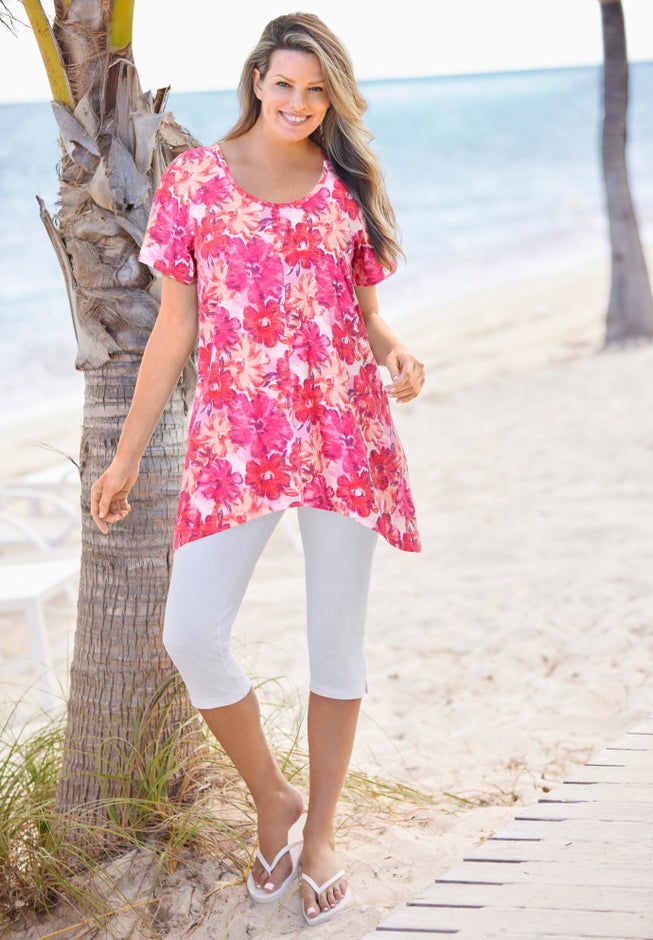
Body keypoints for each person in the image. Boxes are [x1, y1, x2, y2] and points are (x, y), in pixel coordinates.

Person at [91, 11, 424, 927]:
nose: (299, 103)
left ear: (333, 99)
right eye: (285, 84)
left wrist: (396, 353)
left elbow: (364, 314)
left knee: (336, 642)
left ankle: (320, 836)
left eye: (316, 91)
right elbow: (174, 327)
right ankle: (275, 800)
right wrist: (125, 457)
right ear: (256, 81)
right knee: (190, 633)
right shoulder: (195, 179)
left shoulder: (345, 185)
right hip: (234, 441)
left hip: (344, 434)